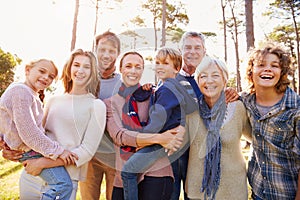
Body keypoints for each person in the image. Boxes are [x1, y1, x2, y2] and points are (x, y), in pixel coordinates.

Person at [7, 49, 106, 200]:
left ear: (93, 72)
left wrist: (42, 163)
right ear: (69, 68)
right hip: (33, 176)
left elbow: (86, 151)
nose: (80, 70)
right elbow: (34, 134)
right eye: (76, 65)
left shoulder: (96, 105)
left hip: (65, 180)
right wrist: (10, 151)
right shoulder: (53, 100)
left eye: (87, 67)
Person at [105, 51, 185, 200]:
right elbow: (119, 136)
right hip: (124, 175)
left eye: (138, 67)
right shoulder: (110, 103)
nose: (133, 71)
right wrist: (159, 138)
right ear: (120, 69)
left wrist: (180, 131)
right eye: (128, 66)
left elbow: (176, 122)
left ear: (143, 70)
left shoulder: (153, 95)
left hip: (156, 173)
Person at [120, 47, 198, 200]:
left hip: (160, 142)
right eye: (157, 63)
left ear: (176, 68)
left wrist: (141, 140)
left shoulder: (168, 89)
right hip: (164, 141)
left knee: (128, 172)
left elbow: (157, 119)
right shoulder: (169, 87)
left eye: (165, 63)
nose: (160, 66)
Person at [0, 58, 77, 200]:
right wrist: (59, 151)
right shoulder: (20, 92)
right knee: (63, 185)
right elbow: (28, 132)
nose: (46, 78)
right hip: (31, 151)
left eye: (51, 77)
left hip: (30, 149)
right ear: (28, 70)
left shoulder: (29, 93)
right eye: (42, 71)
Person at [185, 56, 252, 200]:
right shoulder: (191, 111)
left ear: (225, 80)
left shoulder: (239, 107)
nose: (209, 80)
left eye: (215, 75)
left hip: (233, 191)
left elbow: (256, 138)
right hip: (198, 191)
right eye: (203, 76)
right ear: (198, 81)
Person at [240, 42, 300, 200]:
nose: (267, 69)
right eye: (261, 64)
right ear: (251, 71)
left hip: (287, 193)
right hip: (258, 192)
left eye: (274, 65)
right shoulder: (245, 100)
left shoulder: (295, 108)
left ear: (282, 72)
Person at [79, 30, 122, 200]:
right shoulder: (84, 79)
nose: (106, 55)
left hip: (115, 155)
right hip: (89, 155)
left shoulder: (123, 81)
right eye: (102, 49)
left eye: (112, 51)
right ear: (95, 50)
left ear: (118, 54)